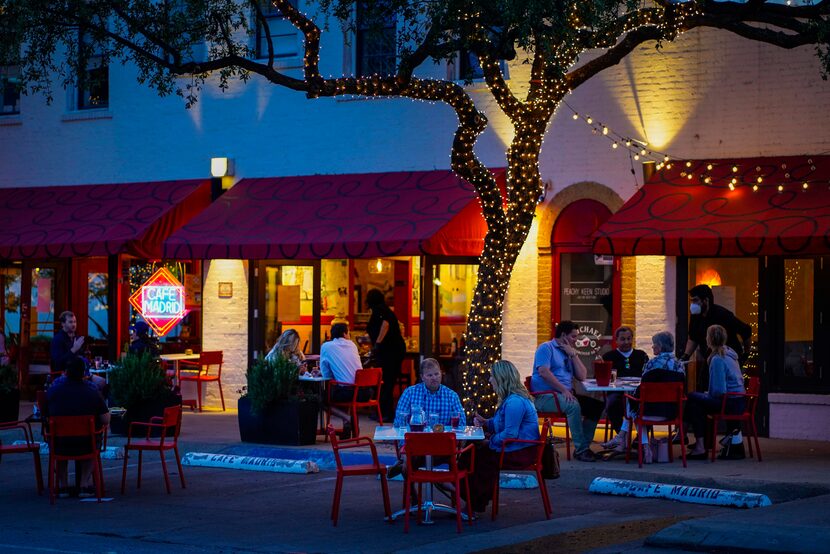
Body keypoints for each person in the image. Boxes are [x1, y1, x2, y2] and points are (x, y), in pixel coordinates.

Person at [462, 360, 540, 513]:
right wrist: (486, 422)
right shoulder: (511, 399)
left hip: (520, 452)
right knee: (472, 453)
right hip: (516, 447)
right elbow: (503, 424)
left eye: (492, 376)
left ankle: (472, 501)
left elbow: (510, 433)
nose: (490, 380)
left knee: (478, 457)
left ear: (501, 378)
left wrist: (489, 442)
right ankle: (471, 499)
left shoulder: (515, 402)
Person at [601, 331, 686, 461]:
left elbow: (643, 388)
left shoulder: (652, 364)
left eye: (654, 345)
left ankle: (632, 442)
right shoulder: (680, 365)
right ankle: (628, 441)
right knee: (633, 406)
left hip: (650, 411)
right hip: (673, 412)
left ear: (660, 346)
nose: (652, 347)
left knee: (633, 406)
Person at [530, 320, 604, 461]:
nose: (576, 340)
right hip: (545, 396)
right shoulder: (546, 348)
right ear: (564, 335)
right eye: (574, 336)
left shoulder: (568, 351)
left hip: (563, 394)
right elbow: (544, 372)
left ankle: (583, 447)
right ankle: (582, 449)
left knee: (597, 406)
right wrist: (564, 390)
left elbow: (582, 376)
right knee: (573, 405)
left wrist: (574, 355)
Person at [386, 357, 465, 479]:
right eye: (429, 375)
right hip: (415, 445)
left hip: (442, 447)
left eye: (436, 374)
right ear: (422, 377)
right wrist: (404, 446)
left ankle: (403, 467)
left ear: (441, 374)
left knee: (409, 463)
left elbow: (461, 423)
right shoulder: (410, 393)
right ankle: (412, 493)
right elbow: (399, 423)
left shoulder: (451, 396)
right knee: (410, 456)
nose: (434, 377)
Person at [44, 357, 109, 498]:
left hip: (60, 444)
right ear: (84, 373)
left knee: (56, 439)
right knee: (95, 438)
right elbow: (105, 419)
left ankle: (63, 486)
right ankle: (84, 484)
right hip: (87, 443)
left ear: (65, 372)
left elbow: (45, 415)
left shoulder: (53, 391)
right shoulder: (93, 391)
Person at [685, 324, 746, 460]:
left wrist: (707, 395)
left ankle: (688, 437)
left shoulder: (718, 359)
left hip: (729, 403)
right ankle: (698, 445)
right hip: (738, 401)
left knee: (691, 397)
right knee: (696, 405)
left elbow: (718, 390)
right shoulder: (730, 354)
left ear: (709, 339)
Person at [682, 284, 751, 390]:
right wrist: (686, 356)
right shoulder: (696, 317)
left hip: (724, 356)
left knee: (720, 385)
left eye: (695, 300)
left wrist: (746, 354)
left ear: (706, 300)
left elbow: (745, 331)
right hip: (709, 356)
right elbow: (693, 338)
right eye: (691, 301)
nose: (692, 304)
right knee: (703, 383)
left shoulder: (723, 315)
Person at [365, 288, 406, 421]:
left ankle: (386, 413)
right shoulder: (385, 309)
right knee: (387, 382)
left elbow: (385, 325)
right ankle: (384, 412)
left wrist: (377, 343)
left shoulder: (380, 310)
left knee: (386, 382)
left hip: (389, 353)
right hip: (392, 351)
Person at [320, 323, 364, 438]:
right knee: (342, 386)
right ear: (345, 333)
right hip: (364, 391)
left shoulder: (326, 346)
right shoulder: (353, 345)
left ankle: (347, 418)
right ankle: (346, 428)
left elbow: (326, 374)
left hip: (347, 392)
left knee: (319, 399)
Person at [602, 326, 649, 433]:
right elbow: (601, 377)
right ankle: (621, 436)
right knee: (612, 403)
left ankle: (640, 439)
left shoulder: (641, 355)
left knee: (648, 405)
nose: (626, 342)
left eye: (629, 339)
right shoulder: (608, 356)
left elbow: (648, 374)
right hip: (616, 392)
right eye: (623, 339)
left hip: (638, 393)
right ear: (616, 340)